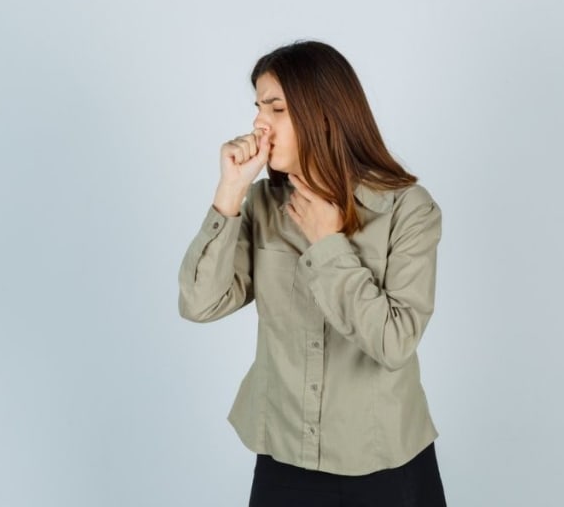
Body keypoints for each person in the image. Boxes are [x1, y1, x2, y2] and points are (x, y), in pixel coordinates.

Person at [177, 40, 447, 506]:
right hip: (284, 458)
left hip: (385, 462)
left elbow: (394, 342)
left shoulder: (408, 210)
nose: (259, 123)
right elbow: (199, 304)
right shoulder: (261, 206)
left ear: (323, 114)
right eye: (258, 108)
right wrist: (230, 193)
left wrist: (327, 244)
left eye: (276, 108)